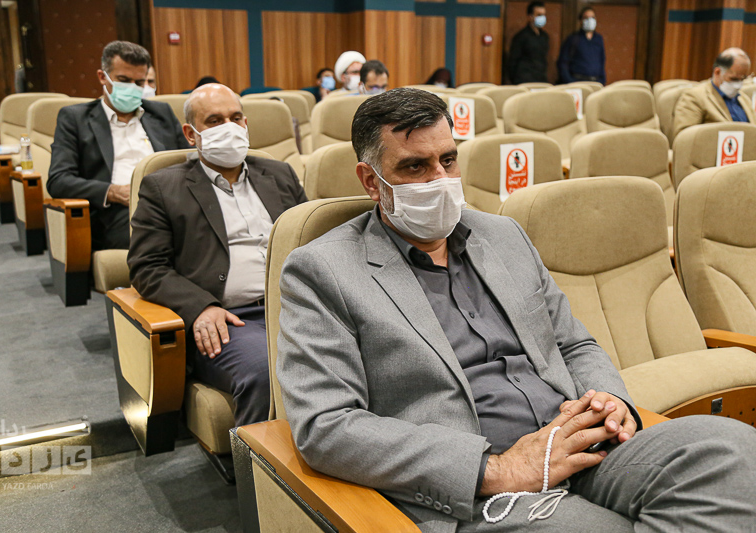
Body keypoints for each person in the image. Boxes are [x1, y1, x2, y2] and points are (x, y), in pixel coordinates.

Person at [277, 88, 756, 532]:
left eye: (448, 160)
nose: (440, 180)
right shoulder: (323, 270)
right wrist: (497, 469)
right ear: (371, 180)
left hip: (581, 441)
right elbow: (326, 426)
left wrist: (609, 400)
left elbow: (573, 343)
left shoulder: (503, 235)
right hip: (482, 482)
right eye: (415, 167)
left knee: (733, 451)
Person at [128, 83, 307, 425]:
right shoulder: (163, 187)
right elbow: (146, 267)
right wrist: (201, 307)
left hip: (297, 307)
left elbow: (310, 240)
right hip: (230, 319)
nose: (229, 127)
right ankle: (256, 460)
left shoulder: (279, 174)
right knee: (266, 371)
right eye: (214, 120)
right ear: (190, 134)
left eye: (235, 118)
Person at [47, 41, 188, 251]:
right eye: (123, 80)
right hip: (116, 212)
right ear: (102, 77)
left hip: (171, 202)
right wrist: (113, 192)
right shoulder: (75, 118)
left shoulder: (161, 113)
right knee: (166, 236)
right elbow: (59, 180)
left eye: (139, 82)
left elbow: (187, 163)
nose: (132, 88)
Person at [672, 48, 756, 138]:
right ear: (717, 72)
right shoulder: (694, 97)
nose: (738, 85)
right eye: (734, 79)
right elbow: (683, 137)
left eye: (742, 79)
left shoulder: (744, 99)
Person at [557, 7, 605, 85]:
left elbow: (602, 61)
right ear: (580, 21)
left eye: (592, 18)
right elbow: (563, 63)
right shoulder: (573, 39)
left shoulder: (598, 39)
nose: (590, 20)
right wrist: (570, 81)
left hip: (595, 82)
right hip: (577, 81)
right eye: (586, 18)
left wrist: (602, 81)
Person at [507, 2, 549, 84]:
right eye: (539, 15)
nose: (542, 18)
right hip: (524, 79)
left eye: (544, 15)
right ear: (530, 17)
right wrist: (515, 81)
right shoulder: (521, 36)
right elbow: (513, 61)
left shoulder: (545, 36)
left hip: (541, 79)